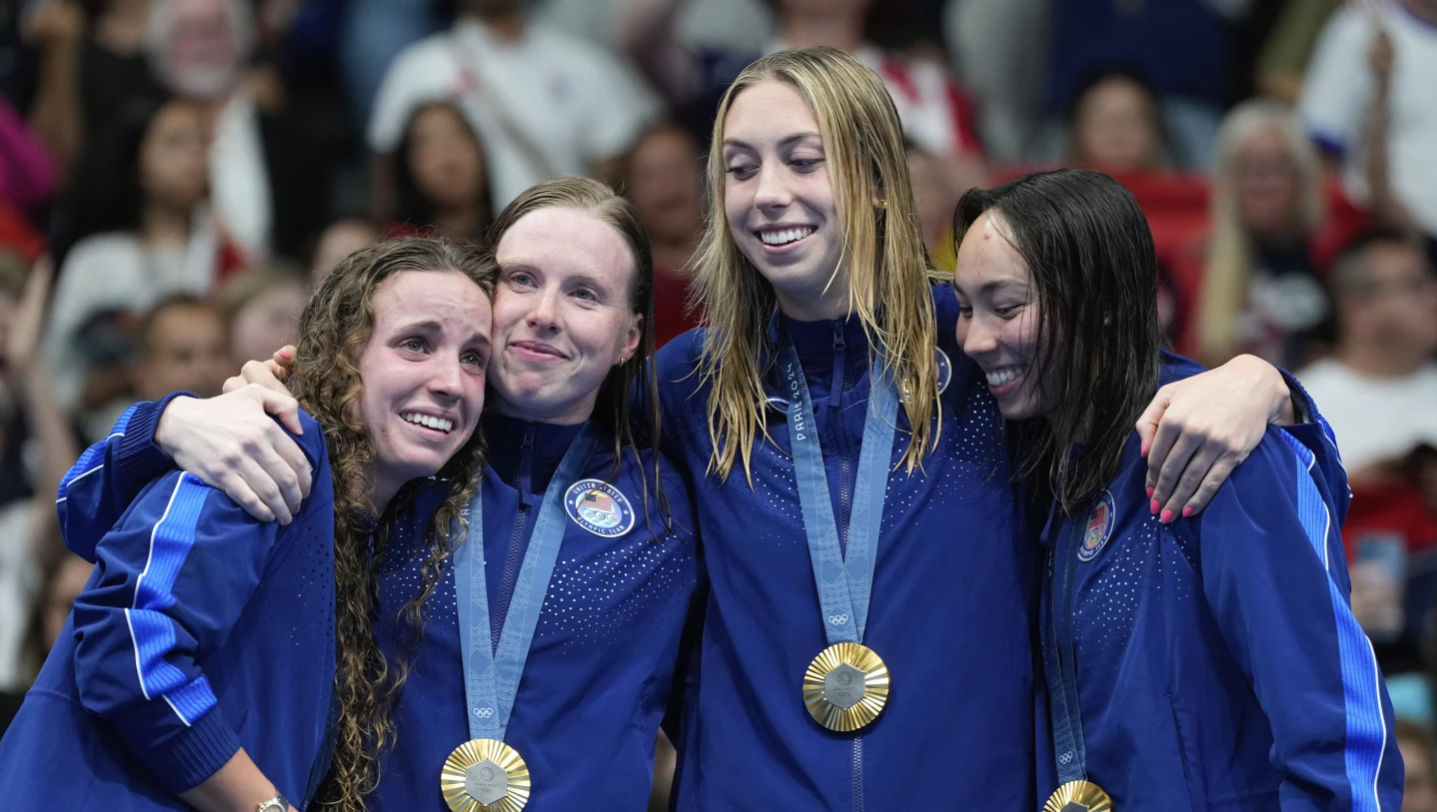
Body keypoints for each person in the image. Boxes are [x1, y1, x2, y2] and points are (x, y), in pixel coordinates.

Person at [649, 47, 1319, 808]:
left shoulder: (978, 344)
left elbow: (1132, 386)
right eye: (739, 169)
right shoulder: (685, 385)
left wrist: (1262, 384)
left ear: (874, 180)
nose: (767, 193)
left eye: (803, 161)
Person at [59, 178, 700, 810]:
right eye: (522, 279)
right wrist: (162, 426)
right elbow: (92, 528)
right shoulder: (382, 455)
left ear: (631, 337)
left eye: (585, 293)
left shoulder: (671, 504)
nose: (544, 313)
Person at [950, 167, 1399, 807]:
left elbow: (1337, 725)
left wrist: (1268, 384)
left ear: (1103, 306)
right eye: (966, 308)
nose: (974, 338)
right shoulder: (1042, 467)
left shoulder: (1218, 449)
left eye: (1007, 306)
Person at [0, 237, 495, 810]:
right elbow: (127, 649)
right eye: (415, 343)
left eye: (474, 358)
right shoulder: (268, 448)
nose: (451, 381)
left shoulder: (383, 525)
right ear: (339, 359)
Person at [1185, 99, 1350, 369]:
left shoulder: (1334, 257)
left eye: (1275, 167)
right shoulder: (1195, 263)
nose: (1261, 182)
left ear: (1302, 178)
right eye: (1246, 168)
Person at [388, 100, 492, 241]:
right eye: (427, 142)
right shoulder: (391, 247)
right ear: (407, 163)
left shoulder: (514, 234)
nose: (447, 155)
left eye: (458, 135)